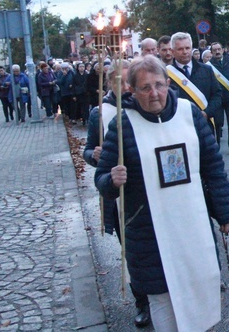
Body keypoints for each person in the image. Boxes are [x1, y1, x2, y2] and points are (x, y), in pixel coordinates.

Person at [95, 55, 229, 331]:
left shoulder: (188, 113)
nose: (154, 93)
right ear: (132, 91)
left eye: (158, 85)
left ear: (168, 84)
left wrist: (224, 212)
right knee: (162, 299)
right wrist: (111, 180)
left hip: (192, 223)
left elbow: (213, 166)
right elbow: (102, 179)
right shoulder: (123, 125)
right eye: (145, 88)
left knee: (201, 289)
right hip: (149, 231)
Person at [83, 60, 151, 327]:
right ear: (109, 84)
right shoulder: (99, 113)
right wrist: (93, 155)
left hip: (149, 188)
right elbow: (88, 149)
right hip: (120, 193)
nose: (124, 87)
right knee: (133, 251)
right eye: (118, 82)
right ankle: (142, 301)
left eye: (127, 82)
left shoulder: (142, 105)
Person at [167, 32, 223, 134]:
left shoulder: (206, 69)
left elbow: (217, 94)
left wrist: (207, 112)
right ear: (172, 51)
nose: (185, 52)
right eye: (180, 49)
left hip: (206, 124)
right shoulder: (167, 74)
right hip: (180, 127)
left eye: (187, 48)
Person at [209, 42, 229, 155]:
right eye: (214, 50)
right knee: (218, 122)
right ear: (211, 52)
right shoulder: (208, 66)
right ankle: (217, 145)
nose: (217, 51)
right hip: (217, 98)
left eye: (219, 49)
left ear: (223, 50)